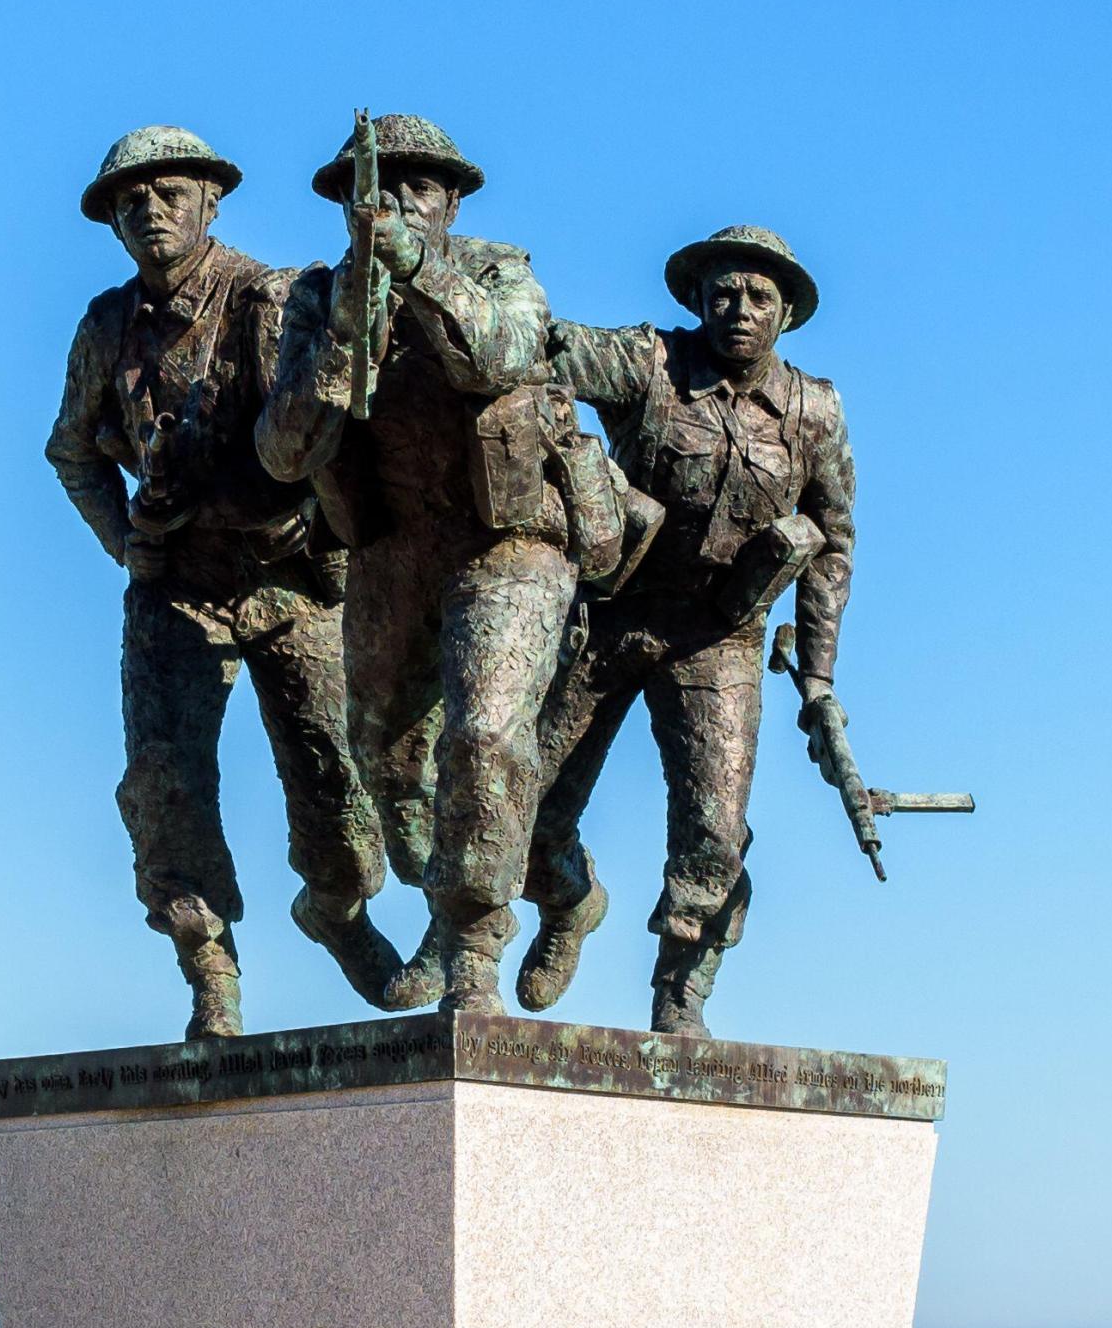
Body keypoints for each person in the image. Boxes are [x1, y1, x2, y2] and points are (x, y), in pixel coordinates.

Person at [255, 113, 622, 1012]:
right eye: (368, 191)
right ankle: (478, 898)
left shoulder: (502, 271)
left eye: (416, 187)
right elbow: (281, 452)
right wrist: (344, 335)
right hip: (395, 547)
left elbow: (501, 357)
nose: (388, 203)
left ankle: (471, 947)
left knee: (487, 737)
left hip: (509, 543)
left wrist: (417, 269)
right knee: (387, 761)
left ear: (451, 201)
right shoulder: (318, 298)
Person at [44, 125, 401, 1040]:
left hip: (289, 581)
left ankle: (339, 907)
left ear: (211, 201)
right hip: (176, 587)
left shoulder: (270, 300)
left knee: (336, 784)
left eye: (171, 194)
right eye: (132, 200)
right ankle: (210, 969)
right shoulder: (105, 326)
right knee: (163, 786)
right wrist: (128, 544)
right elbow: (72, 453)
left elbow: (332, 433)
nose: (150, 211)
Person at [527, 226, 855, 1035]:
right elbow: (550, 349)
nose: (737, 310)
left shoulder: (814, 412)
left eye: (757, 298)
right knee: (522, 804)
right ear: (698, 300)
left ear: (784, 313)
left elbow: (833, 543)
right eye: (722, 294)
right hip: (612, 618)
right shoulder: (652, 364)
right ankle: (569, 899)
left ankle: (682, 992)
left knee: (713, 836)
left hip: (721, 637)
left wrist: (818, 679)